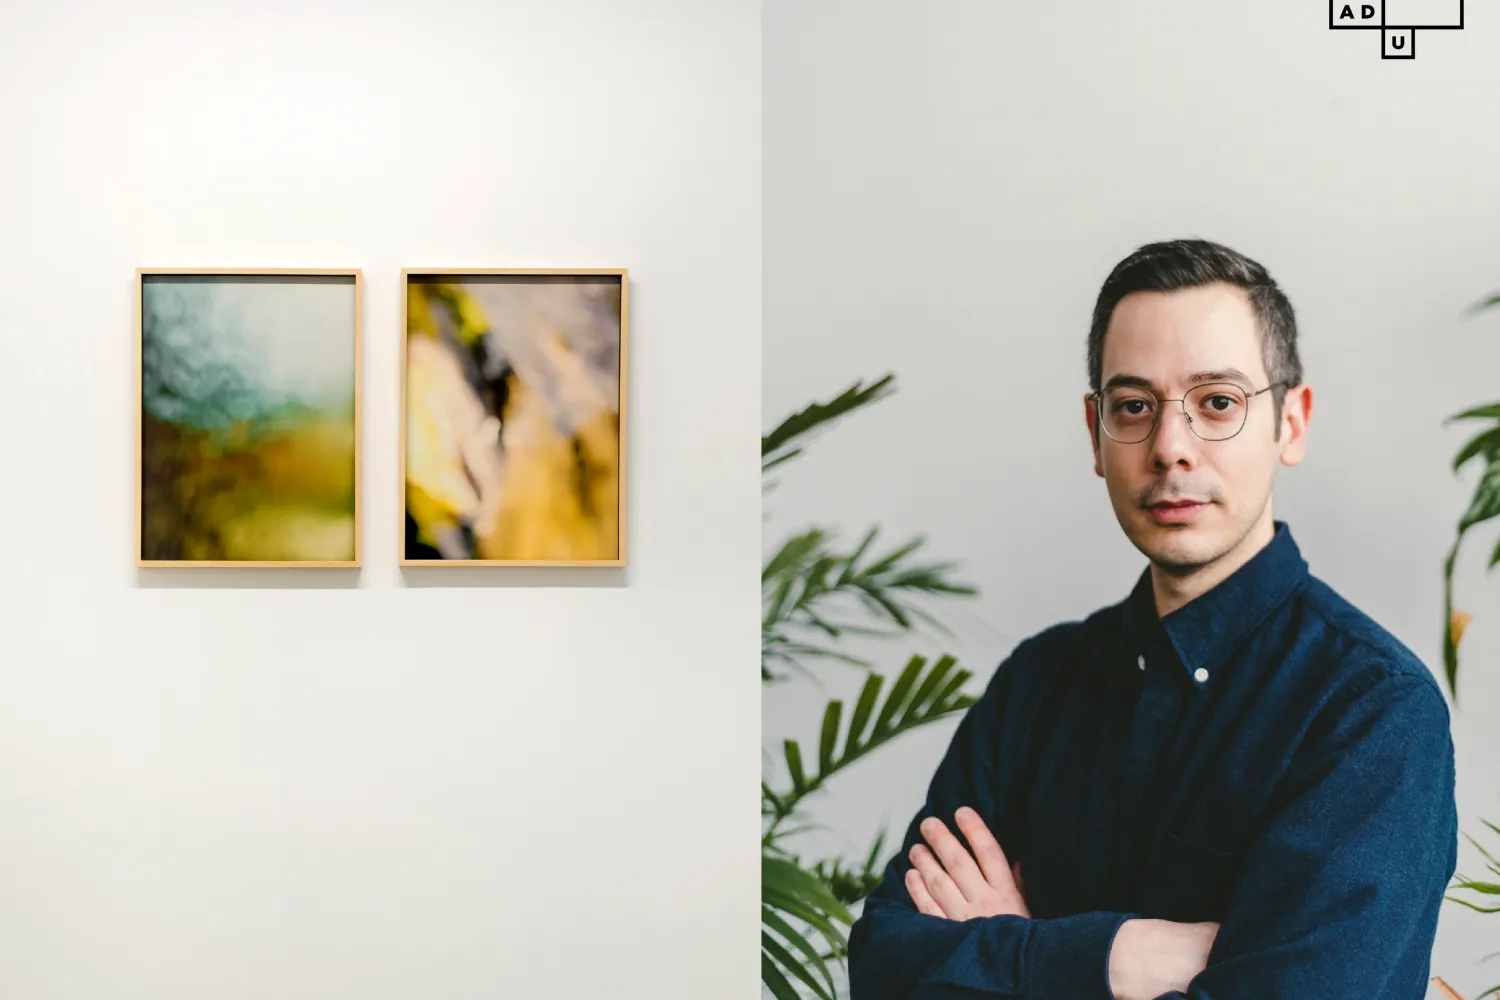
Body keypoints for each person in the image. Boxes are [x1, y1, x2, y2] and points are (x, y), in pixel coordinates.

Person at [845, 238, 1458, 1000]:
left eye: (1218, 403)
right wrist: (1120, 957)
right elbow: (883, 966)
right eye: (1134, 406)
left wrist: (1022, 948)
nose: (1170, 447)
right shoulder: (1038, 684)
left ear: (1290, 424)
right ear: (1096, 432)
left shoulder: (1371, 707)